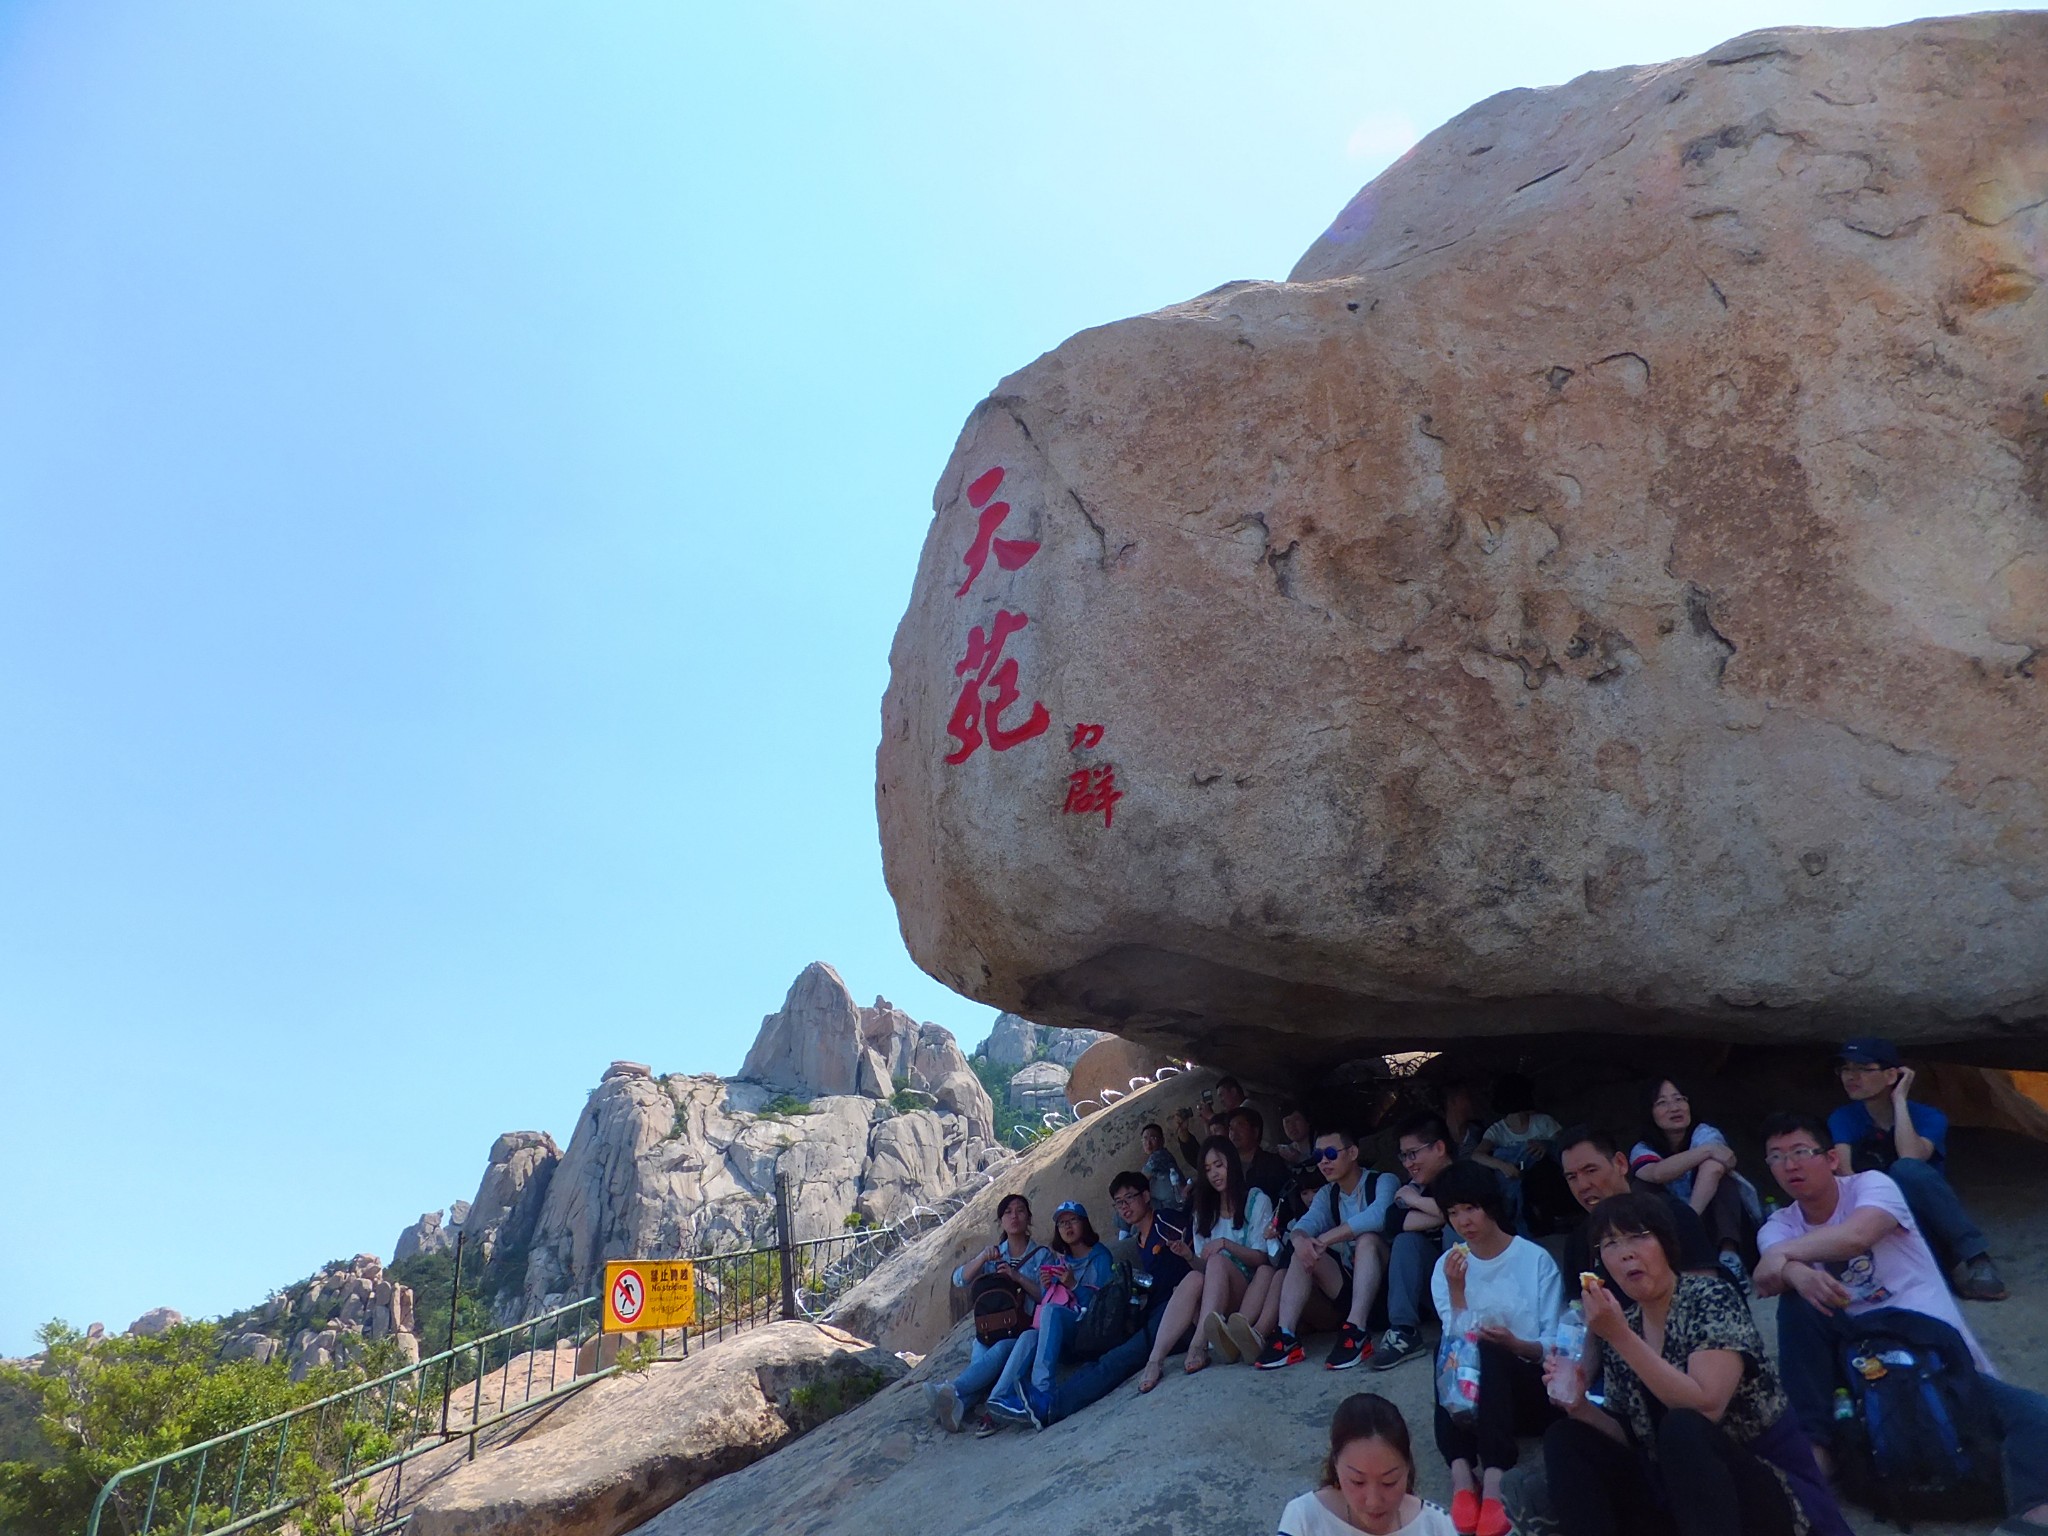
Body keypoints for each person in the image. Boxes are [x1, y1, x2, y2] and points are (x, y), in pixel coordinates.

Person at [1754, 1112, 2048, 1532]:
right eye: (1776, 1157)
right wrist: (1795, 1273)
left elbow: (1856, 1236)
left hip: (1935, 1357)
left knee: (2035, 1415)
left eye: (1801, 1152)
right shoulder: (1780, 1222)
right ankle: (1816, 1450)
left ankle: (2034, 1517)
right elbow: (1765, 1275)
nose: (1790, 1165)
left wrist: (1784, 1258)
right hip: (1862, 1367)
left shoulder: (1873, 1186)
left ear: (1832, 1158)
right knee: (1797, 1306)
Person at [1542, 1192, 1848, 1536]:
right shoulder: (1622, 1323)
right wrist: (1580, 1405)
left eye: (1638, 1237)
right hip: (1678, 1496)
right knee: (1565, 1436)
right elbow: (1631, 1436)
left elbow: (1707, 1406)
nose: (1625, 1251)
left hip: (1765, 1490)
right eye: (1610, 1243)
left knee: (1683, 1427)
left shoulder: (1709, 1297)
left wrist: (1621, 1338)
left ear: (1667, 1244)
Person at [1426, 1161, 1563, 1536]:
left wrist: (1516, 1344)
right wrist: (1457, 1292)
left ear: (1491, 1206)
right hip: (1471, 1399)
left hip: (1530, 1387)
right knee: (1449, 1347)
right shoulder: (1447, 1266)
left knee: (1489, 1350)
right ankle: (1460, 1474)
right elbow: (1456, 1343)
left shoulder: (1535, 1261)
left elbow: (1556, 1342)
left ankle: (1494, 1479)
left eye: (1471, 1208)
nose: (1463, 1221)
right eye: (1454, 1212)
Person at [1828, 1037, 2006, 1300]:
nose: (1850, 1077)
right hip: (1880, 1219)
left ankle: (1975, 1257)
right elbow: (1846, 1174)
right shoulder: (1843, 1118)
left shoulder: (1929, 1117)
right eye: (1845, 1069)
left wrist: (1899, 1100)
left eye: (1863, 1069)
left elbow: (1912, 1159)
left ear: (1891, 1075)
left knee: (1906, 1170)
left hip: (1925, 1218)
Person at [1018, 1169, 1192, 1428]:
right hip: (1158, 1311)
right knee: (1107, 1358)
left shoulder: (1165, 1221)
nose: (1124, 1207)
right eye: (1119, 1203)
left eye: (1129, 1198)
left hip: (1179, 1310)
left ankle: (1052, 1406)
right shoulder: (1142, 1241)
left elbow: (1196, 1245)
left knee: (1118, 1360)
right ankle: (1049, 1399)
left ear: (1146, 1196)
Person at [1248, 1124, 1399, 1371]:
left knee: (1367, 1239)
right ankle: (1287, 1336)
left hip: (1387, 1292)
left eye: (1330, 1154)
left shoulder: (1384, 1180)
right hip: (1349, 1289)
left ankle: (1358, 1333)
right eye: (1318, 1156)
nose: (1323, 1162)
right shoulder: (1328, 1193)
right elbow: (1306, 1224)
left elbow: (1380, 1215)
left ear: (1352, 1153)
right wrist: (1299, 1240)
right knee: (1304, 1249)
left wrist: (1328, 1237)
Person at [1146, 1137, 1274, 1387]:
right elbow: (1205, 1269)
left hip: (1249, 1290)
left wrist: (1226, 1245)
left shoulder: (1256, 1201)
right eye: (1207, 1169)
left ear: (1232, 1164)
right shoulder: (1203, 1209)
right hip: (1215, 1300)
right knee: (1193, 1276)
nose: (1214, 1174)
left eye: (1219, 1165)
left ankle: (1199, 1343)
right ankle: (1155, 1359)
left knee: (1217, 1262)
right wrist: (1188, 1256)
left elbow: (1262, 1258)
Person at [982, 1199, 1114, 1429]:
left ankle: (1042, 1391)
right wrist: (1048, 1285)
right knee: (1028, 1336)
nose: (1068, 1227)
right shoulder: (1061, 1260)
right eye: (1062, 1223)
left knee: (1051, 1312)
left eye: (1073, 1220)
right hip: (1063, 1332)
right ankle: (998, 1398)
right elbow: (1049, 1301)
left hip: (1088, 1331)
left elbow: (1104, 1306)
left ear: (1084, 1224)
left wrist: (1073, 1285)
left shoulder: (1100, 1257)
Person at [924, 1194, 1049, 1433]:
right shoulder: (995, 1256)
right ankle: (957, 1405)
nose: (1014, 1216)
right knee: (982, 1368)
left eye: (1020, 1211)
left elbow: (1046, 1296)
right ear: (1001, 1220)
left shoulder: (1042, 1255)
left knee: (997, 1354)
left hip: (1023, 1332)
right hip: (990, 1330)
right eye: (1008, 1212)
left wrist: (1017, 1277)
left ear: (1028, 1218)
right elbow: (959, 1279)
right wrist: (982, 1257)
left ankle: (951, 1391)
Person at [1555, 1124, 1718, 1300]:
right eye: (1572, 1177)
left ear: (1621, 1164)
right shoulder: (1577, 1243)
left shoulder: (1672, 1214)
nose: (1583, 1185)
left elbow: (1707, 1295)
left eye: (1591, 1170)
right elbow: (1577, 1313)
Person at [1630, 1077, 1759, 1291]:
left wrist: (1689, 1219)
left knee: (1722, 1178)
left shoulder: (1705, 1133)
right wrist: (1706, 1151)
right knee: (1641, 1187)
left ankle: (1730, 1258)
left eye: (1679, 1099)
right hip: (1670, 1230)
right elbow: (1656, 1173)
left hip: (1716, 1225)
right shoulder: (1642, 1148)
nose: (1674, 1108)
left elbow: (1719, 1165)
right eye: (1662, 1102)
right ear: (1649, 1112)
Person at [1278, 1392, 1459, 1536]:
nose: (1373, 1502)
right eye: (1357, 1481)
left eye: (1389, 1482)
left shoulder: (1436, 1525)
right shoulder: (1303, 1519)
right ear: (1336, 1465)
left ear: (1407, 1468)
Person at [1371, 1112, 1458, 1372]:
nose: (1408, 1163)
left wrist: (1418, 1204)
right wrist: (1445, 1213)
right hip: (1435, 1291)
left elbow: (1470, 1214)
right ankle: (1404, 1331)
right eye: (1404, 1156)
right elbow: (1394, 1222)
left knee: (1458, 1229)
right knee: (1406, 1242)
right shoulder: (1415, 1187)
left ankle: (1463, 1325)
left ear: (1439, 1148)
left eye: (1413, 1154)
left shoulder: (1469, 1175)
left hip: (1478, 1293)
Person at [1231, 1106, 1294, 1205]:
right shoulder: (1227, 1165)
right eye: (1231, 1128)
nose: (1234, 1133)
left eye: (1240, 1126)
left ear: (1255, 1132)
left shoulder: (1273, 1163)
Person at [1140, 1122, 1186, 1207]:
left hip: (1174, 1206)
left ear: (1162, 1140)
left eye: (1153, 1138)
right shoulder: (1159, 1155)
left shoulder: (1159, 1156)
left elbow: (1140, 1181)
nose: (1148, 1143)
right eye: (1145, 1139)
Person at [1279, 1105, 1318, 1170]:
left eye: (1296, 1119)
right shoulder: (1285, 1152)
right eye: (1287, 1121)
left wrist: (1299, 1158)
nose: (1291, 1126)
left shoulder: (1321, 1145)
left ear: (1307, 1121)